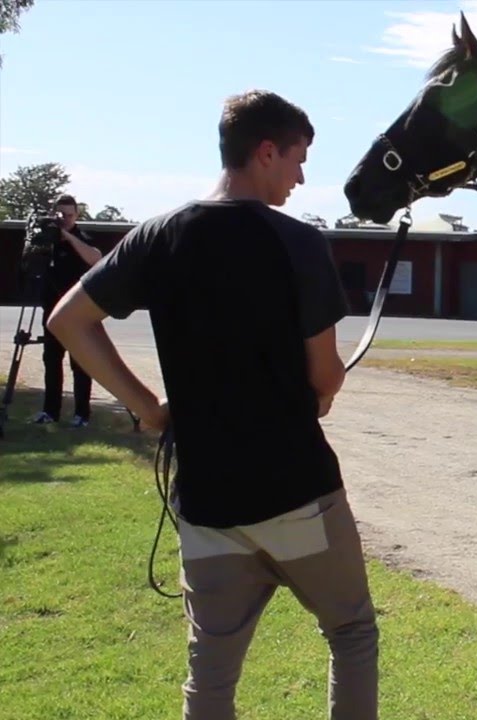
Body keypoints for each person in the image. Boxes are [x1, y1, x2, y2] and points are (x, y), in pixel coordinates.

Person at [46, 89, 379, 720]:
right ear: (264, 151)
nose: (301, 177)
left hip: (206, 499)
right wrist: (323, 392)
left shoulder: (158, 234)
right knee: (352, 632)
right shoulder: (299, 242)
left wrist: (146, 407)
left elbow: (70, 321)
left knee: (212, 670)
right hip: (296, 490)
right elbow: (325, 375)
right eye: (298, 160)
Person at [32, 194, 103, 427]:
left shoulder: (81, 238)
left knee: (80, 363)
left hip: (77, 313)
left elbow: (96, 259)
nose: (64, 219)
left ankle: (82, 414)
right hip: (51, 311)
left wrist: (67, 237)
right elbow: (28, 263)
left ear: (77, 215)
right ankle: (50, 411)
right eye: (60, 215)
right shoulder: (46, 241)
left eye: (69, 215)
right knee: (52, 362)